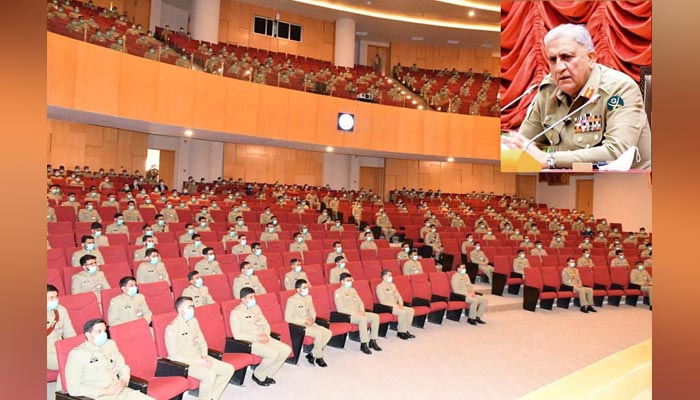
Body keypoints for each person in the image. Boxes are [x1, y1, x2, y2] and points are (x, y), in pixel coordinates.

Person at [501, 23, 651, 169]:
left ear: (591, 58)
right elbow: (523, 144)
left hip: (628, 186)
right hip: (568, 184)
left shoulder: (620, 89)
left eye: (567, 57)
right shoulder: (548, 90)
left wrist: (551, 159)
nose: (559, 67)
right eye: (553, 60)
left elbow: (617, 152)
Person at [65, 318, 154, 399]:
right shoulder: (78, 354)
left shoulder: (110, 345)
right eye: (99, 332)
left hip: (121, 392)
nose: (103, 334)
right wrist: (104, 391)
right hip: (100, 396)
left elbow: (123, 367)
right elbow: (73, 388)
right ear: (88, 335)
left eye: (104, 331)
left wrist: (123, 381)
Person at [165, 297, 235, 399]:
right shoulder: (172, 328)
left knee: (228, 369)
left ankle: (213, 397)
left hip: (200, 357)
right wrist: (198, 361)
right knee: (209, 374)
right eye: (190, 307)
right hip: (185, 362)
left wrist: (204, 355)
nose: (193, 309)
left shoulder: (193, 321)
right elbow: (174, 356)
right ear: (180, 310)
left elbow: (202, 342)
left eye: (193, 306)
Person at [230, 288, 291, 385]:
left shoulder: (256, 308)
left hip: (264, 337)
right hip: (251, 342)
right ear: (243, 299)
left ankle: (268, 374)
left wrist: (266, 334)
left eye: (254, 296)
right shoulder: (236, 313)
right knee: (273, 354)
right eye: (250, 297)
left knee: (286, 350)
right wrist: (257, 338)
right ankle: (258, 375)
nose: (253, 299)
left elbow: (265, 324)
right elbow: (237, 335)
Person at [284, 279, 331, 367]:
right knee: (319, 334)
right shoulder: (292, 300)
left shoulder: (309, 297)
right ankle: (319, 357)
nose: (307, 289)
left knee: (328, 333)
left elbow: (313, 311)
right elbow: (288, 318)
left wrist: (312, 319)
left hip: (311, 323)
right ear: (298, 290)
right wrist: (304, 321)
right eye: (304, 287)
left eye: (307, 287)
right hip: (299, 326)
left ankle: (312, 354)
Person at [334, 273, 382, 354]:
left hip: (359, 313)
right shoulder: (338, 292)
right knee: (363, 319)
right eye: (348, 280)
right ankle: (364, 344)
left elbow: (360, 302)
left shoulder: (353, 290)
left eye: (350, 280)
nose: (350, 282)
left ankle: (373, 341)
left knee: (375, 317)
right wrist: (356, 313)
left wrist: (362, 310)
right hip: (348, 315)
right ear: (342, 282)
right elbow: (340, 309)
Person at [376, 270, 416, 340]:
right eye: (389, 275)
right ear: (384, 277)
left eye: (391, 275)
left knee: (411, 310)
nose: (391, 277)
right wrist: (396, 306)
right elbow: (383, 301)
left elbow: (398, 296)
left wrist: (400, 304)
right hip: (388, 307)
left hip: (397, 306)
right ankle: (401, 332)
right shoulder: (380, 287)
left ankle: (406, 330)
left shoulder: (393, 285)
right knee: (402, 312)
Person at [47, 284, 76, 376]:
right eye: (51, 298)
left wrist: (74, 347)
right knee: (71, 363)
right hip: (47, 353)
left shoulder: (61, 310)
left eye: (56, 297)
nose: (55, 300)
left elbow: (69, 332)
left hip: (60, 348)